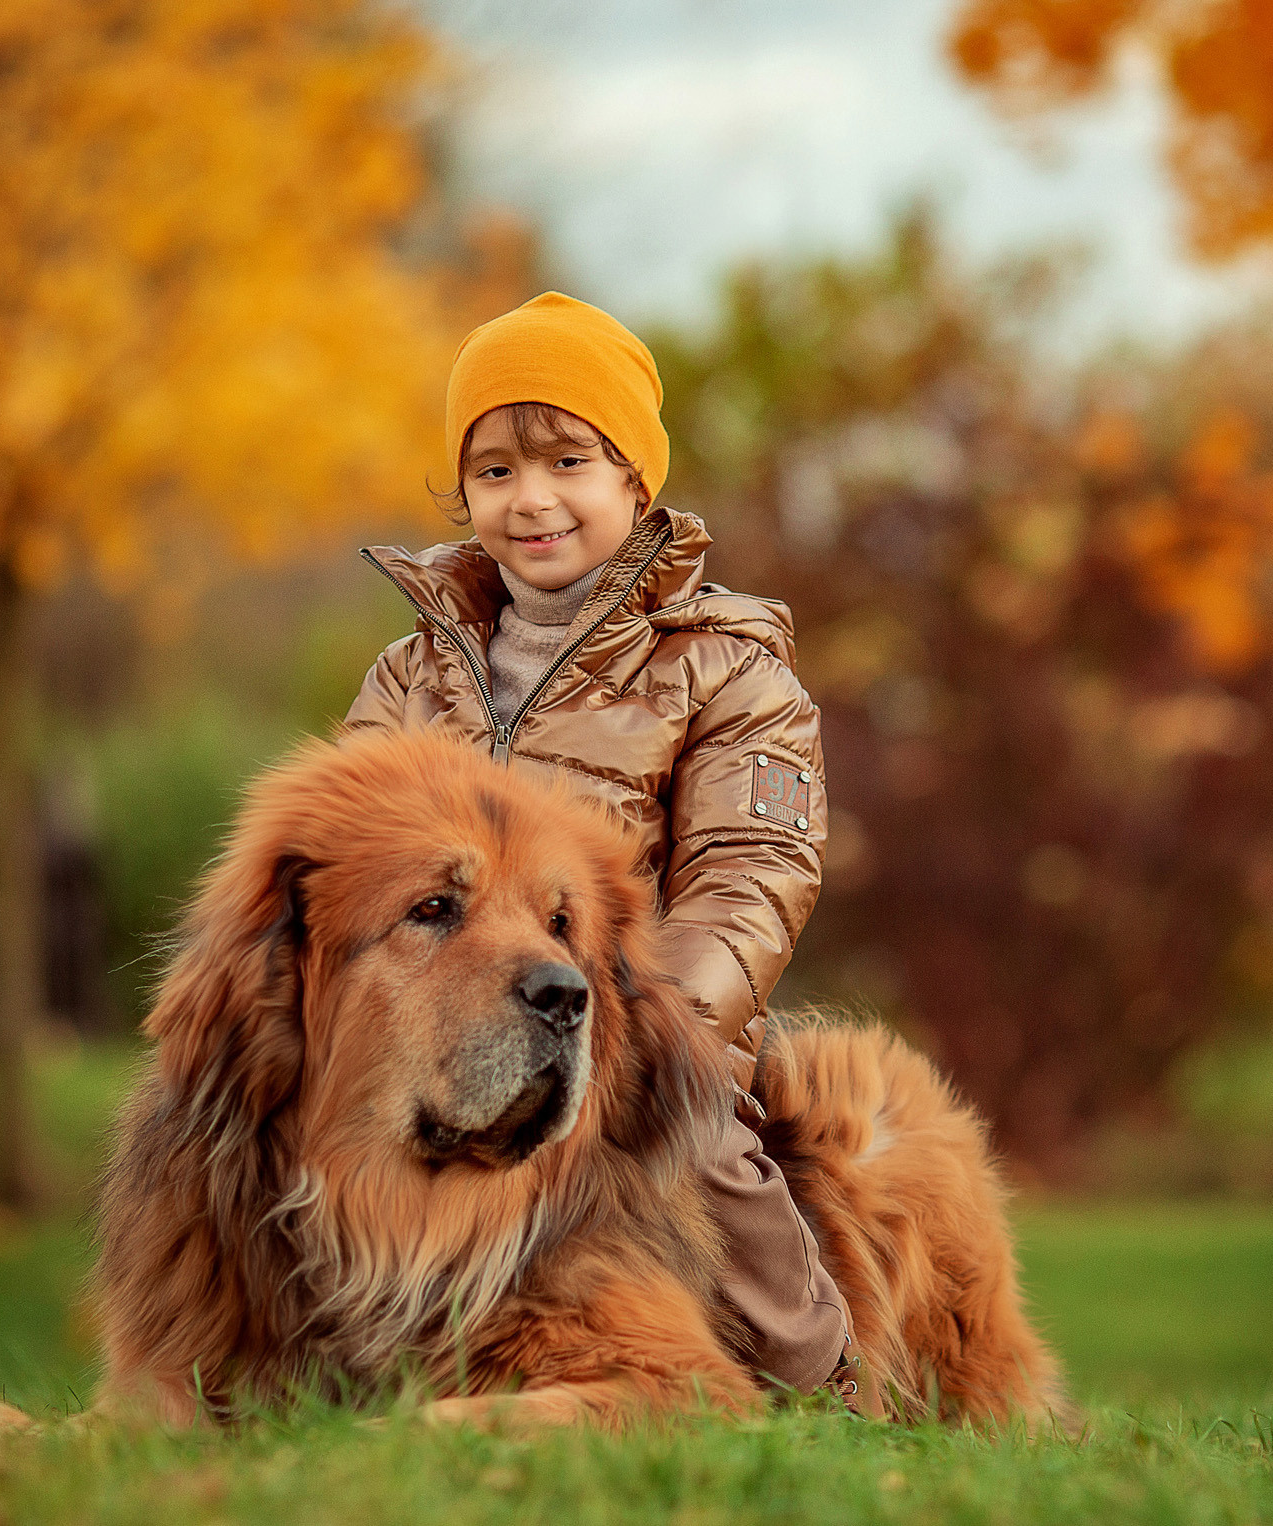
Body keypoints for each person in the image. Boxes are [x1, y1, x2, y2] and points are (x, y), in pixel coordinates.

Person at [341, 291, 882, 1417]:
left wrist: (653, 1014)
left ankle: (816, 1375)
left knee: (701, 1150)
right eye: (491, 471)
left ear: (635, 479)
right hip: (448, 1022)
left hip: (643, 1022)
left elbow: (754, 867)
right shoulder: (411, 674)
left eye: (565, 461)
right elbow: (354, 847)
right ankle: (287, 1351)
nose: (529, 498)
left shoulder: (725, 671)